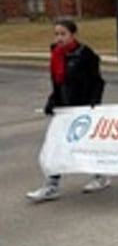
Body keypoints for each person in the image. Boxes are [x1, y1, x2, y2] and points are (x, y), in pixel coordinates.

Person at [27, 19, 108, 202]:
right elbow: (58, 83)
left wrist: (93, 104)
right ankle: (52, 185)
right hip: (64, 109)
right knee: (56, 146)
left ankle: (100, 175)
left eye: (63, 34)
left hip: (83, 108)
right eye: (56, 34)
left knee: (87, 145)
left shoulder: (86, 55)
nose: (59, 38)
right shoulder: (57, 55)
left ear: (73, 35)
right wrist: (52, 101)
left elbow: (97, 82)